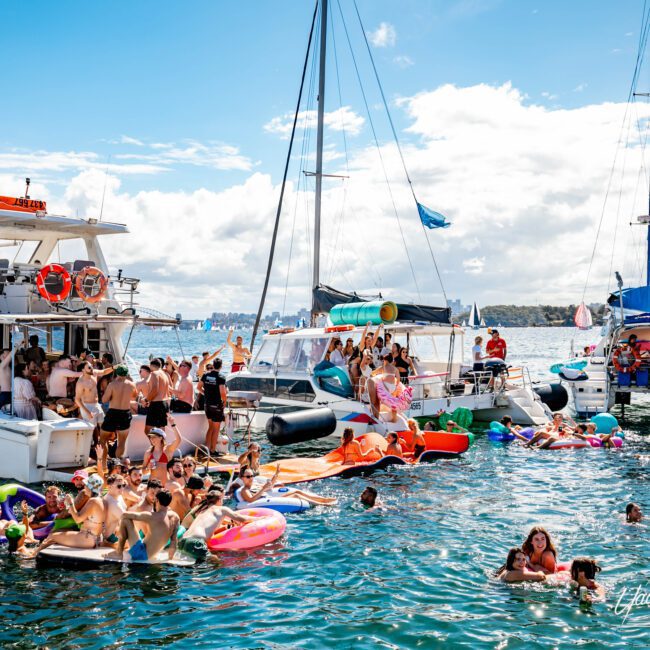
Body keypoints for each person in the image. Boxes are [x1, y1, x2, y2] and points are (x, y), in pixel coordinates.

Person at [30, 474, 106, 556]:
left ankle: (32, 555)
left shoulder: (93, 501)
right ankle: (36, 551)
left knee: (52, 536)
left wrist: (70, 503)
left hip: (87, 538)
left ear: (90, 487)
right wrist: (67, 505)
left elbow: (78, 519)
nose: (84, 487)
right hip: (94, 538)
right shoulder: (98, 500)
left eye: (86, 485)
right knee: (57, 531)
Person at [179, 487, 254, 560]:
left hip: (183, 541)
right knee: (217, 562)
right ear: (219, 500)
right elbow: (243, 519)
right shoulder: (222, 509)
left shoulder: (202, 510)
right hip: (195, 542)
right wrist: (260, 519)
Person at [113, 489, 180, 562]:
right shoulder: (175, 517)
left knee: (125, 520)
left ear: (157, 500)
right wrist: (170, 559)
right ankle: (121, 550)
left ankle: (118, 553)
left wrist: (118, 528)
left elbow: (124, 514)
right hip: (152, 554)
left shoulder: (152, 516)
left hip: (140, 554)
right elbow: (174, 541)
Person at [237, 465, 337, 506]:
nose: (251, 478)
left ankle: (323, 499)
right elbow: (251, 500)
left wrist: (276, 474)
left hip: (268, 498)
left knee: (297, 492)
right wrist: (263, 488)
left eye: (252, 475)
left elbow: (270, 486)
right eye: (248, 476)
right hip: (264, 502)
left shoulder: (255, 484)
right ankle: (322, 504)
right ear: (242, 478)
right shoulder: (244, 490)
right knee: (296, 496)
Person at [100, 364, 137, 459]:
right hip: (125, 413)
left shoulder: (112, 385)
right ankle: (118, 465)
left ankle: (103, 465)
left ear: (116, 373)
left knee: (103, 440)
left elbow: (104, 400)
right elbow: (134, 396)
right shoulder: (132, 385)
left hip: (113, 413)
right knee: (122, 442)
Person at [198, 358, 228, 454]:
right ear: (221, 366)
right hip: (216, 405)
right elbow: (222, 392)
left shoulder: (206, 375)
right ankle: (213, 450)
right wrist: (225, 401)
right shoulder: (221, 376)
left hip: (207, 404)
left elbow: (198, 387)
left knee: (210, 427)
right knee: (216, 429)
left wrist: (205, 394)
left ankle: (207, 448)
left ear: (213, 365)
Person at [75, 360, 111, 436]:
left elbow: (104, 372)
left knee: (103, 425)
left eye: (91, 365)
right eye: (89, 367)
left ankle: (103, 443)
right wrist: (87, 412)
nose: (92, 368)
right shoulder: (81, 382)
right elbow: (77, 399)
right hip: (87, 406)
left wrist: (114, 368)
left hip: (97, 405)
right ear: (83, 370)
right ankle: (92, 445)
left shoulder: (94, 373)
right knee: (91, 430)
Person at [142, 417, 182, 484]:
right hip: (152, 486)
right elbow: (143, 472)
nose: (152, 439)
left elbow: (179, 440)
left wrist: (173, 424)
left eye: (154, 437)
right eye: (150, 437)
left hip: (166, 485)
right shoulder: (148, 452)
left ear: (161, 438)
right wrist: (148, 468)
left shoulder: (168, 450)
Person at [144, 358, 171, 435]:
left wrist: (146, 400)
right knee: (161, 432)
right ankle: (161, 447)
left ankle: (156, 446)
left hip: (156, 405)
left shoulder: (154, 373)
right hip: (164, 404)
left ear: (151, 366)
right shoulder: (165, 374)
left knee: (148, 431)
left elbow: (155, 389)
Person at [103, 474, 127, 545]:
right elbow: (127, 520)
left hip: (116, 532)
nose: (122, 488)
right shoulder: (113, 504)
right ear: (109, 487)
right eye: (119, 486)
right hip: (110, 538)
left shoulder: (117, 496)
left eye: (123, 485)